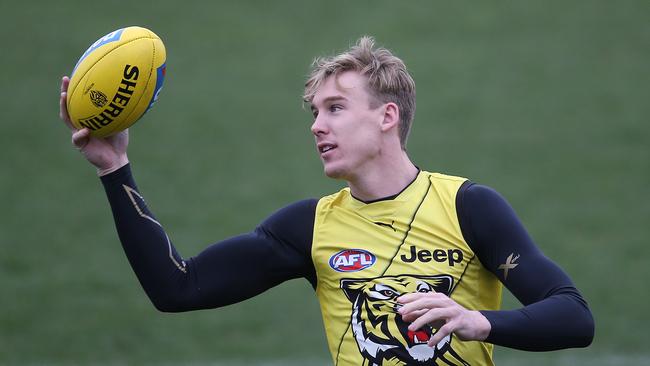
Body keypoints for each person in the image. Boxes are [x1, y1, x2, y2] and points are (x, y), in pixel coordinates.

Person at [59, 36, 594, 365]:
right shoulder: (308, 228)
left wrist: (480, 322)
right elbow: (177, 287)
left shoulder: (468, 207)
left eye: (335, 108)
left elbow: (572, 316)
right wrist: (115, 168)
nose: (317, 126)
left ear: (387, 117)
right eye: (314, 112)